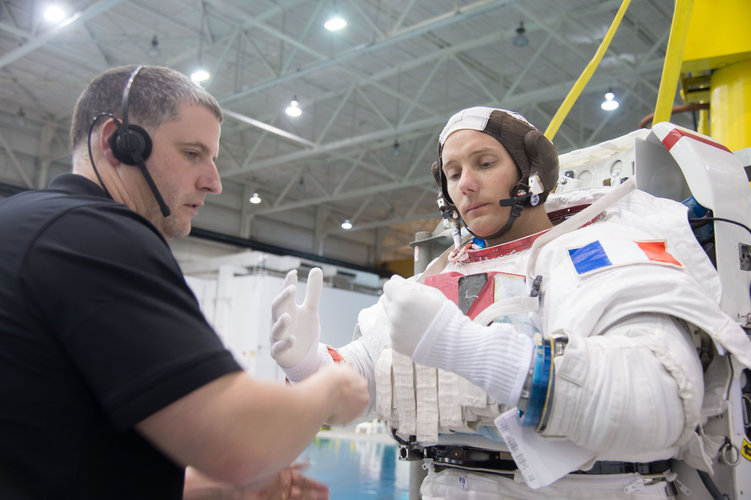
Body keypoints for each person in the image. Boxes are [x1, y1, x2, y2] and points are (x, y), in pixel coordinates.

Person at [270, 106, 751, 498]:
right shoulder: (440, 275)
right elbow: (361, 386)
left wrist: (471, 351)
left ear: (531, 169)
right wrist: (309, 365)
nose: (465, 184)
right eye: (453, 173)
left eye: (484, 163)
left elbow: (661, 404)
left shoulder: (603, 249)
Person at [0, 64, 369, 499]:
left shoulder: (26, 224)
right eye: (193, 154)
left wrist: (219, 489)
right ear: (117, 143)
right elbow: (238, 442)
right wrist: (331, 385)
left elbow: (59, 451)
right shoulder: (96, 235)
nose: (213, 182)